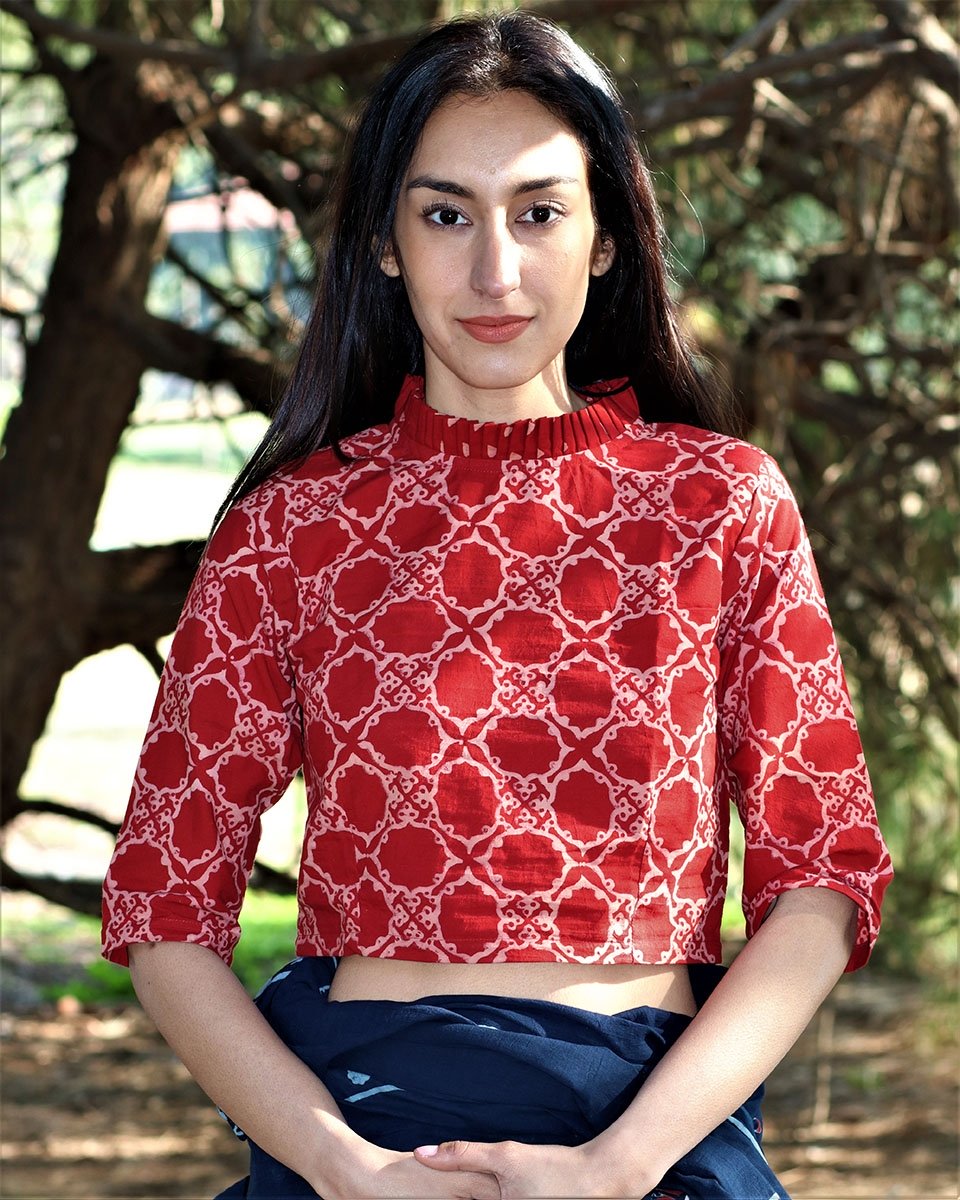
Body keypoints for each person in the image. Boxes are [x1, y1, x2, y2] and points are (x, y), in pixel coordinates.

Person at [101, 11, 892, 1199]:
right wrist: (342, 1168)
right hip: (366, 1126)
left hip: (650, 1132)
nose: (494, 272)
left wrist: (620, 1166)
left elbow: (824, 879)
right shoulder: (290, 531)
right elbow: (162, 899)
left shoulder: (723, 506)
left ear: (608, 238)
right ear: (383, 243)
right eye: (444, 216)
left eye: (538, 212)